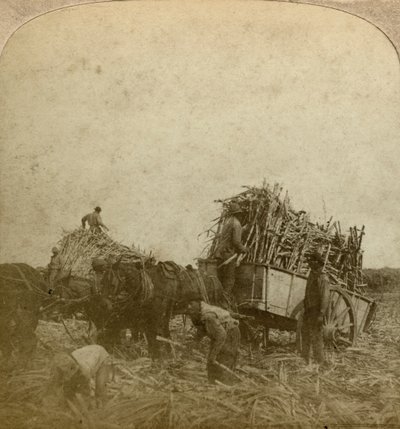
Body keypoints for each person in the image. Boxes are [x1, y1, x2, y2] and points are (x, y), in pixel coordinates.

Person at [186, 299, 240, 384]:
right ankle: (212, 384)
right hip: (219, 334)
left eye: (191, 303)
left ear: (198, 302)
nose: (189, 306)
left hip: (230, 333)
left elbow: (221, 336)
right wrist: (195, 342)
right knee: (212, 362)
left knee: (224, 358)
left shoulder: (208, 315)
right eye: (187, 304)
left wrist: (213, 354)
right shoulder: (198, 312)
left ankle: (225, 386)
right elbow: (203, 329)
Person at [46, 344, 111, 408]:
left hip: (101, 354)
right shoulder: (65, 361)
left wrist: (82, 406)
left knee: (100, 385)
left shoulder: (84, 370)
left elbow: (85, 390)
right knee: (70, 385)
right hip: (89, 352)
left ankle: (101, 406)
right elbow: (61, 384)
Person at [212, 202, 249, 294]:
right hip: (228, 255)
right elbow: (236, 242)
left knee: (221, 278)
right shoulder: (237, 224)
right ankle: (225, 300)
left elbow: (227, 236)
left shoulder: (227, 222)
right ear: (238, 214)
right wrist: (245, 249)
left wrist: (243, 229)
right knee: (229, 280)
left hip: (220, 253)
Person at [301, 251, 330, 367]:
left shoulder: (323, 278)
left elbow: (325, 297)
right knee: (305, 334)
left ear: (318, 263)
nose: (310, 263)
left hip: (316, 311)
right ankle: (305, 359)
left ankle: (320, 361)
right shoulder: (311, 275)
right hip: (308, 310)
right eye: (310, 261)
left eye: (312, 261)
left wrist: (321, 314)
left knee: (316, 336)